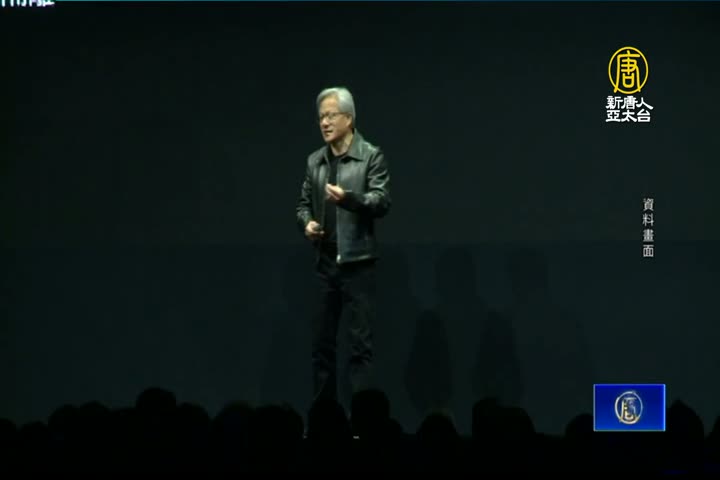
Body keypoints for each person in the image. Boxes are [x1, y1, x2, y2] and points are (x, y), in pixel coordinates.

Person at [295, 86, 392, 404]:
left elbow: (381, 201)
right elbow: (303, 205)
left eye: (331, 115)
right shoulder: (315, 161)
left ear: (349, 119)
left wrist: (349, 199)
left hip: (358, 263)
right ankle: (323, 418)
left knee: (359, 348)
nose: (324, 122)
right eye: (320, 117)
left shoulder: (370, 155)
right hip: (325, 264)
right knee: (321, 347)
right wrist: (307, 223)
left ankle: (361, 420)